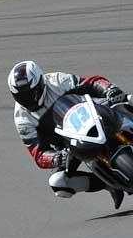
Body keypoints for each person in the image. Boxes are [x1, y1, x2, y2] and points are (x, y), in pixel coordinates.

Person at [8, 60, 131, 209]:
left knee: (129, 99)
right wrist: (56, 158)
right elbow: (38, 154)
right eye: (21, 97)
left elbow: (91, 82)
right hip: (70, 144)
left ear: (41, 83)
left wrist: (110, 89)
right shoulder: (22, 119)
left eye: (30, 94)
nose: (27, 100)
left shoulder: (56, 80)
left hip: (94, 114)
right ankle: (107, 184)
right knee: (59, 183)